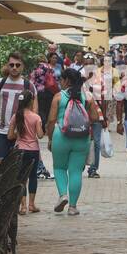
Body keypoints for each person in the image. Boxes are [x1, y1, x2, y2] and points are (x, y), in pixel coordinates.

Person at [45, 68, 102, 215]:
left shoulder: (58, 96)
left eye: (61, 80)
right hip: (81, 138)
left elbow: (51, 121)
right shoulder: (86, 96)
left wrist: (50, 138)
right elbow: (96, 118)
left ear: (66, 81)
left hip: (61, 136)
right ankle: (73, 207)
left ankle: (63, 195)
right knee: (76, 171)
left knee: (59, 168)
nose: (59, 82)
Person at [0, 50, 27, 160]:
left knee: (16, 168)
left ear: (22, 66)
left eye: (17, 65)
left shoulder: (28, 85)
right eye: (11, 65)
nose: (14, 67)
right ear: (8, 65)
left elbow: (34, 111)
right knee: (1, 166)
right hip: (1, 132)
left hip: (19, 133)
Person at [8, 84, 43, 213]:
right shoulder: (36, 117)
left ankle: (22, 206)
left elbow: (10, 135)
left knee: (21, 177)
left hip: (20, 150)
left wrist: (19, 134)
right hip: (33, 150)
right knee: (33, 176)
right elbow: (39, 135)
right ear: (31, 101)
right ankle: (31, 205)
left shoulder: (15, 116)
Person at [85, 62, 108, 179]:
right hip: (82, 117)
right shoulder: (80, 83)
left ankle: (93, 169)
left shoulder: (100, 82)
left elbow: (104, 100)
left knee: (97, 143)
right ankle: (80, 165)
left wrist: (104, 117)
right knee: (84, 142)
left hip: (97, 116)